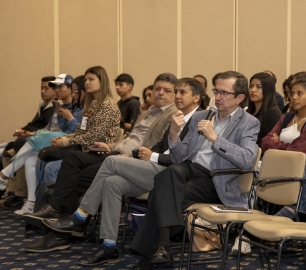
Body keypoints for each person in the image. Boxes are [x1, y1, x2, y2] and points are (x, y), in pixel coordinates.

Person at [25, 78, 203, 261]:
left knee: (110, 162)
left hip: (172, 175)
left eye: (182, 92)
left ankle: (80, 216)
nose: (177, 96)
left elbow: (186, 157)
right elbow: (159, 145)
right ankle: (109, 245)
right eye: (177, 92)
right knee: (112, 183)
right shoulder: (178, 116)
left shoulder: (200, 119)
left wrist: (152, 156)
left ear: (196, 97)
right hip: (152, 167)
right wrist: (149, 152)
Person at [130, 71, 260, 269]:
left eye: (225, 93)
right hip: (188, 169)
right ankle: (162, 246)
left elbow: (246, 159)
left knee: (160, 192)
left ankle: (156, 250)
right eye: (217, 91)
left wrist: (215, 138)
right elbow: (179, 157)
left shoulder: (248, 123)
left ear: (240, 98)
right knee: (170, 172)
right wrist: (174, 136)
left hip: (215, 179)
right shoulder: (203, 115)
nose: (218, 97)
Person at [23, 73, 177, 224]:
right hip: (115, 152)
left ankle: (64, 222)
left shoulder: (173, 115)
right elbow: (129, 139)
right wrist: (109, 146)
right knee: (73, 159)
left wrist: (130, 156)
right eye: (157, 89)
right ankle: (59, 216)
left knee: (77, 176)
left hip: (132, 161)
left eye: (167, 90)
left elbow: (155, 147)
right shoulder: (148, 112)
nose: (160, 93)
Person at [0, 74, 86, 215]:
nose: (57, 90)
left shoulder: (80, 107)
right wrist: (33, 133)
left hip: (68, 145)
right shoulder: (59, 107)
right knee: (30, 161)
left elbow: (77, 133)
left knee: (39, 138)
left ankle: (4, 175)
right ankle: (32, 202)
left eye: (60, 86)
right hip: (55, 142)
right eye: (55, 87)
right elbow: (53, 129)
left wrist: (69, 118)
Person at [0, 76, 57, 202]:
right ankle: (11, 189)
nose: (42, 91)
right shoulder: (43, 105)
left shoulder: (56, 108)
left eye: (46, 88)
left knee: (21, 146)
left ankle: (21, 193)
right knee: (7, 148)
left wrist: (27, 133)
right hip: (34, 138)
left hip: (45, 142)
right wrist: (22, 130)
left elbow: (48, 131)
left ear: (55, 90)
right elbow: (33, 123)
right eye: (41, 88)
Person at [262, 78, 306, 157]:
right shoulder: (286, 117)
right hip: (276, 162)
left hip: (300, 167)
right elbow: (265, 142)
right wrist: (287, 146)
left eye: (299, 93)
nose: (294, 97)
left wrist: (277, 143)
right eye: (292, 94)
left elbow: (298, 151)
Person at [247, 72, 281, 147]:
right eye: (251, 86)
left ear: (267, 90)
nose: (253, 90)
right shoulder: (248, 112)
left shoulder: (272, 113)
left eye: (258, 87)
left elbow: (268, 142)